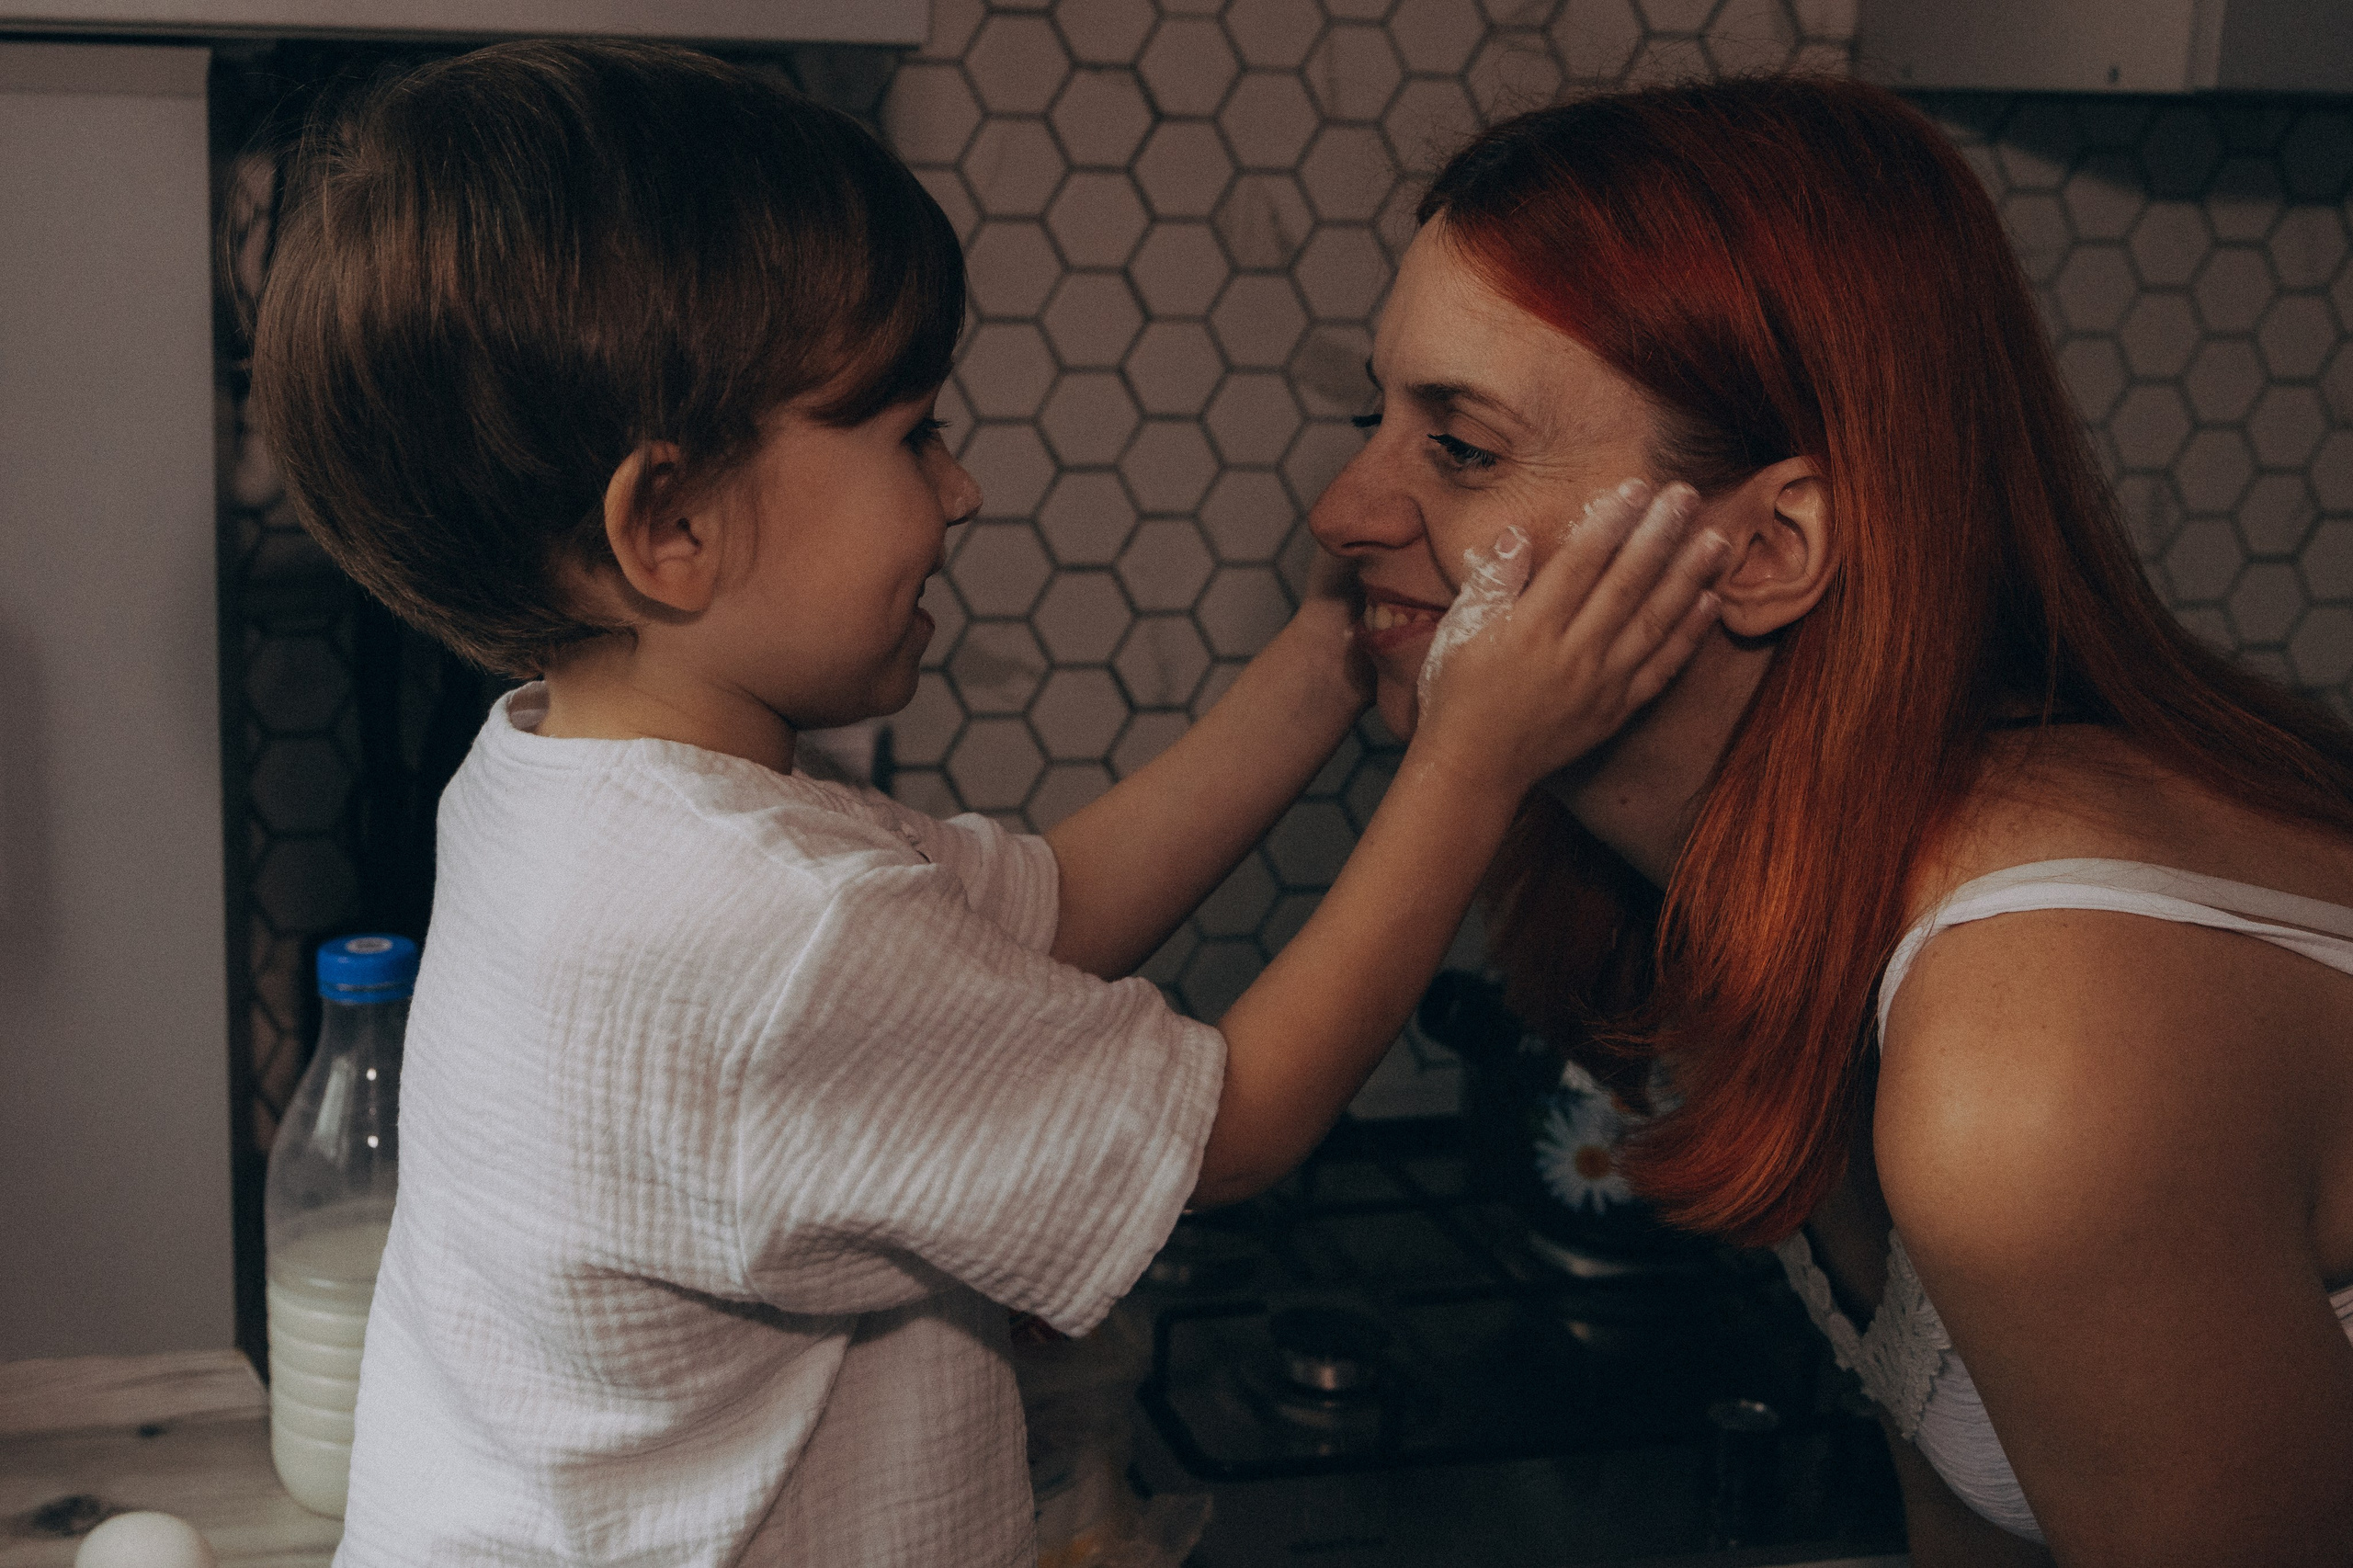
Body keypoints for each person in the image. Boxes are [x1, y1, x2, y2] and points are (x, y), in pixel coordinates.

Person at [245, 39, 1726, 1567]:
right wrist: (1468, 765)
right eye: (910, 435)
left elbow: (1049, 911)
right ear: (668, 521)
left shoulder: (571, 783)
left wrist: (1327, 658)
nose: (960, 490)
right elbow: (1235, 1125)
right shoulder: (764, 931)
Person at [1309, 73, 2353, 1567]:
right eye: (1373, 415)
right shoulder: (1769, 889)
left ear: (1772, 547)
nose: (1342, 509)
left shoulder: (2034, 1063)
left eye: (1460, 448)